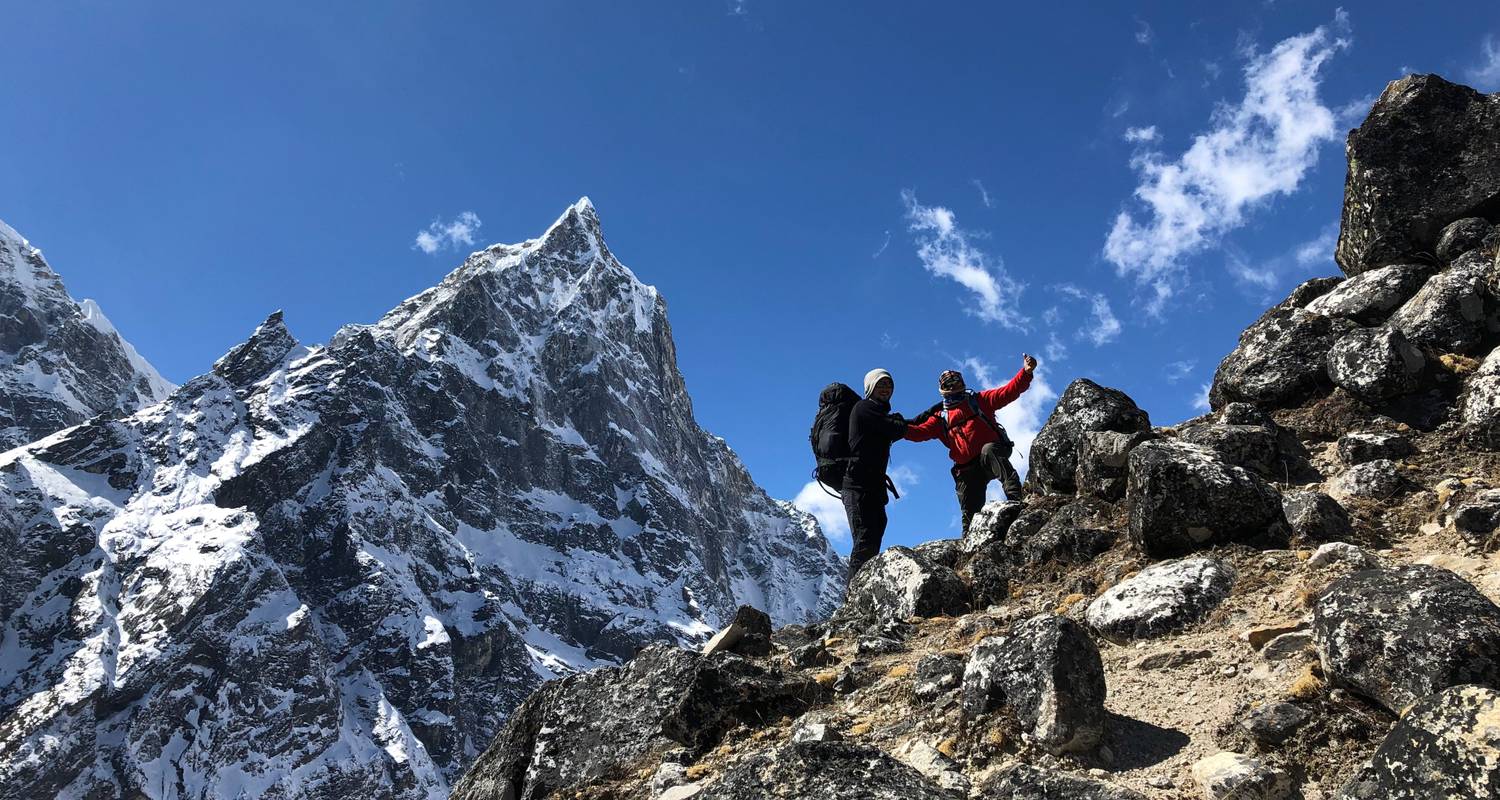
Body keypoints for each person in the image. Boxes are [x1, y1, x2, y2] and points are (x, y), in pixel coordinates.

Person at [905, 354, 1038, 533]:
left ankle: (1015, 498)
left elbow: (1007, 392)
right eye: (949, 384)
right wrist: (896, 428)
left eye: (957, 382)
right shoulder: (940, 418)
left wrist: (1026, 372)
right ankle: (968, 540)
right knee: (969, 512)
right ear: (943, 389)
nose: (954, 386)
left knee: (989, 449)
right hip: (968, 470)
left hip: (991, 456)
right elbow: (919, 433)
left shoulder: (979, 401)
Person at [842, 368, 908, 582]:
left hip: (871, 488)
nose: (886, 389)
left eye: (889, 385)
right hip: (858, 488)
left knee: (872, 535)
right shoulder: (865, 408)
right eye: (881, 384)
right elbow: (897, 429)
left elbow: (898, 427)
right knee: (864, 540)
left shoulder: (877, 413)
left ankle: (861, 592)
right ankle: (852, 602)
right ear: (870, 387)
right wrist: (898, 421)